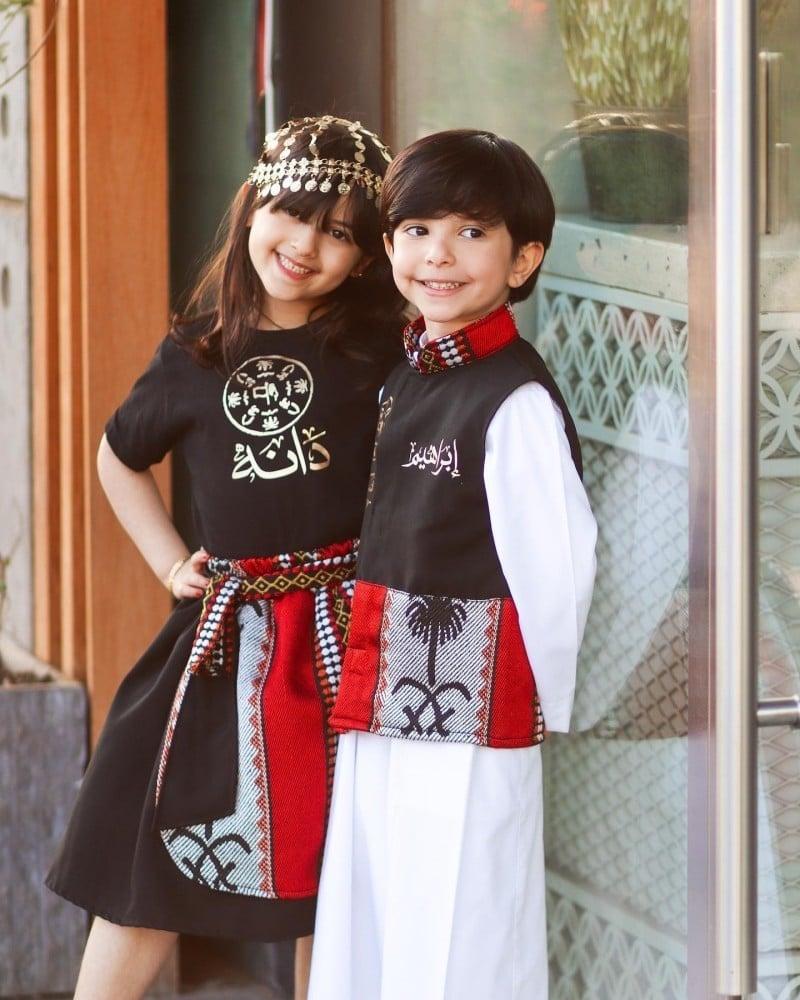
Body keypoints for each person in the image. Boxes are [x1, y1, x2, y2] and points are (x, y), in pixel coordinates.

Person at [45, 115, 405, 1000]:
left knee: (337, 873)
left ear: (366, 258)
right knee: (149, 847)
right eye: (292, 214)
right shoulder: (196, 352)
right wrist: (171, 563)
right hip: (224, 641)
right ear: (253, 207)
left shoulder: (379, 351)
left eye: (339, 233)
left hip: (340, 641)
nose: (306, 245)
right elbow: (119, 455)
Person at [308, 129, 597, 1000]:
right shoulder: (406, 374)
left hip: (471, 714)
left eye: (471, 232)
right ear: (389, 244)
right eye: (418, 230)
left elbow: (558, 567)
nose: (439, 254)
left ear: (523, 259)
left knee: (464, 924)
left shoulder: (513, 397)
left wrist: (548, 703)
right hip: (381, 692)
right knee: (378, 912)